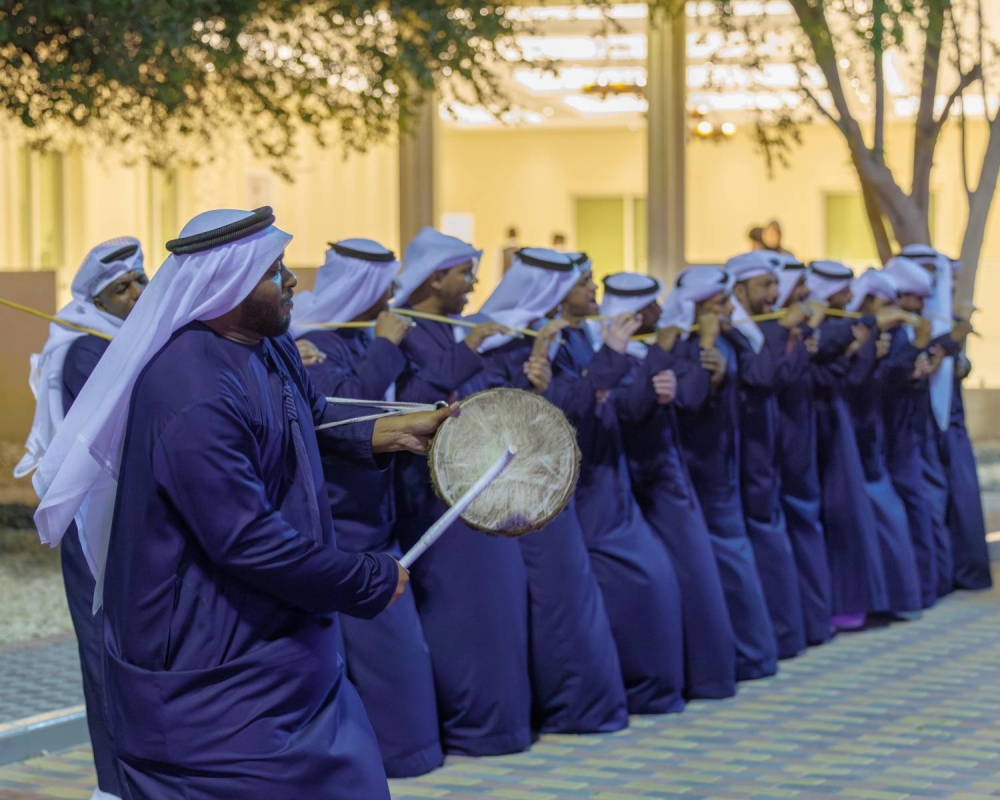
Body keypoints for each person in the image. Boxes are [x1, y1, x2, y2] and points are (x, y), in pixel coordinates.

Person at [32, 207, 455, 799]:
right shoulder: (190, 386)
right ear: (225, 285)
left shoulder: (267, 347)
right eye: (273, 270)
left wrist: (392, 432)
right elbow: (244, 539)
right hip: (213, 661)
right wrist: (365, 578)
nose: (291, 282)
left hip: (281, 637)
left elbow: (306, 418)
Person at [292, 239, 443, 778]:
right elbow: (342, 408)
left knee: (400, 658)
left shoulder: (358, 339)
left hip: (377, 518)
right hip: (342, 527)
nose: (393, 296)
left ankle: (407, 756)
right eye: (385, 285)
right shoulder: (312, 343)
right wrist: (384, 346)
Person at [391, 227, 544, 756]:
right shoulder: (405, 333)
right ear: (436, 277)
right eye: (465, 274)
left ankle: (504, 727)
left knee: (501, 608)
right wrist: (469, 348)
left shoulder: (447, 328)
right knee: (464, 617)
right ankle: (475, 730)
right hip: (434, 503)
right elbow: (408, 406)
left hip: (481, 496)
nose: (474, 284)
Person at [475, 248, 629, 734]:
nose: (592, 289)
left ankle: (583, 709)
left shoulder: (558, 338)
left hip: (558, 489)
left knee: (569, 601)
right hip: (525, 494)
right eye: (581, 281)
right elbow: (543, 412)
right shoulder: (500, 343)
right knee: (558, 604)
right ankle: (568, 709)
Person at [16, 237, 147, 800]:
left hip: (131, 516)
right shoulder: (83, 350)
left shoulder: (122, 341)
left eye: (141, 281)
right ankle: (115, 783)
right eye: (123, 288)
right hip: (98, 518)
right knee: (104, 646)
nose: (138, 294)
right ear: (98, 300)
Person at [547, 260, 686, 714]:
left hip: (612, 480)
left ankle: (650, 690)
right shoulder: (549, 342)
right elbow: (565, 405)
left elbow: (621, 404)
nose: (593, 288)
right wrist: (612, 361)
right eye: (584, 282)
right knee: (638, 581)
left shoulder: (587, 337)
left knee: (655, 578)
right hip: (582, 489)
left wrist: (654, 386)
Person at [603, 271, 737, 700]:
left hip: (662, 480)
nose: (661, 313)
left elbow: (692, 393)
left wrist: (707, 362)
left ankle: (707, 677)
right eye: (652, 307)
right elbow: (630, 407)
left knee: (694, 573)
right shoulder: (617, 353)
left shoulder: (656, 350)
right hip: (625, 487)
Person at [667, 267, 778, 681]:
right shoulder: (681, 345)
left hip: (718, 468)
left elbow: (760, 378)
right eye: (719, 303)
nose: (728, 309)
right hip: (690, 467)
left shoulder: (727, 341)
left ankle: (751, 655)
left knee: (732, 559)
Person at [724, 251, 810, 660]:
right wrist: (782, 334)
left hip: (767, 447)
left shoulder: (762, 328)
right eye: (765, 287)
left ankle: (785, 634)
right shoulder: (736, 331)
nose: (774, 294)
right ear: (739, 291)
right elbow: (758, 378)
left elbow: (780, 377)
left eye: (776, 285)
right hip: (742, 454)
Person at [806, 260, 889, 628]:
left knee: (847, 513)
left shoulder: (837, 328)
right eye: (840, 292)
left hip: (834, 425)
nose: (846, 297)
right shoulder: (819, 326)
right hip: (812, 429)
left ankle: (851, 606)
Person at [773, 256, 833, 646]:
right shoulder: (771, 330)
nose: (805, 294)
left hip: (796, 437)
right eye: (798, 288)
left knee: (805, 523)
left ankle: (812, 621)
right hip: (768, 445)